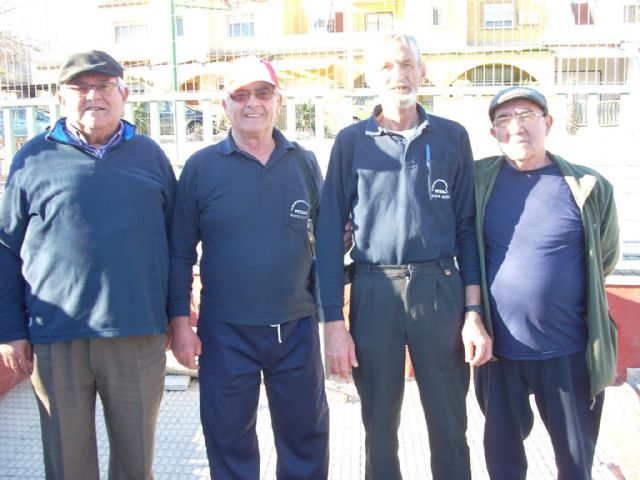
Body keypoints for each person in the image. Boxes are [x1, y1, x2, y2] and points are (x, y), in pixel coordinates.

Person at [315, 33, 492, 480]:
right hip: (375, 291)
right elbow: (330, 233)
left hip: (440, 290)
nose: (400, 75)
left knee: (450, 424)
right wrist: (333, 323)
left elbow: (468, 230)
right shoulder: (352, 142)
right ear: (373, 77)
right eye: (389, 67)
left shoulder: (452, 137)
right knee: (377, 426)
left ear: (423, 71)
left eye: (409, 64)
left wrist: (472, 311)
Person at [0, 50, 176, 479]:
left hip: (136, 334)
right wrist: (9, 330)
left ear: (124, 93)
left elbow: (176, 245)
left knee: (136, 465)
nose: (92, 95)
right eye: (80, 87)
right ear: (61, 97)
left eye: (104, 86)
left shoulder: (150, 156)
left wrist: (177, 317)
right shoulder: (33, 158)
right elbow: (5, 247)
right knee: (68, 466)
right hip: (56, 337)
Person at [168, 56, 329, 480]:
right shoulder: (202, 168)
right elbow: (180, 252)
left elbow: (327, 239)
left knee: (305, 439)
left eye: (262, 93)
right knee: (229, 441)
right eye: (240, 94)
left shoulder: (304, 162)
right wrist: (181, 323)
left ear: (278, 99)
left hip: (296, 327)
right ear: (225, 104)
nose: (251, 103)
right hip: (226, 332)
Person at [474, 85, 620, 480]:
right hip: (500, 354)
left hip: (569, 353)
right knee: (503, 465)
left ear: (548, 124)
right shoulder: (476, 182)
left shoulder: (588, 187)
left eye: (527, 115)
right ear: (494, 133)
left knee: (575, 465)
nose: (516, 126)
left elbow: (602, 259)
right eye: (503, 119)